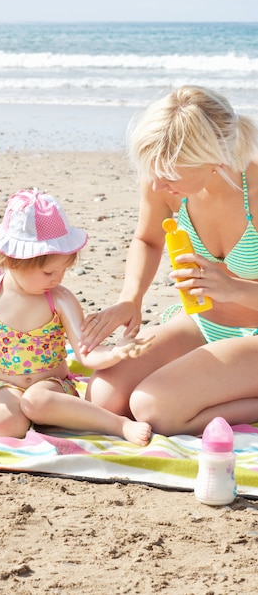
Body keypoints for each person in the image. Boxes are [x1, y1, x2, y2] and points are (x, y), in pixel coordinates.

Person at [0, 188, 153, 446]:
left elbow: (86, 353)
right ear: (13, 261)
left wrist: (117, 352)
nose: (57, 278)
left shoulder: (60, 298)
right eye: (48, 272)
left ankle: (119, 424)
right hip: (6, 387)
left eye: (62, 270)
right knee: (10, 424)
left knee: (36, 402)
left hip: (52, 388)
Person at [80, 84, 258, 437]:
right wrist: (131, 299)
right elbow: (147, 240)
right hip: (201, 324)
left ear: (214, 161)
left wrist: (233, 288)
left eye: (170, 174)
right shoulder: (163, 182)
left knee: (154, 408)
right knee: (102, 398)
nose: (158, 184)